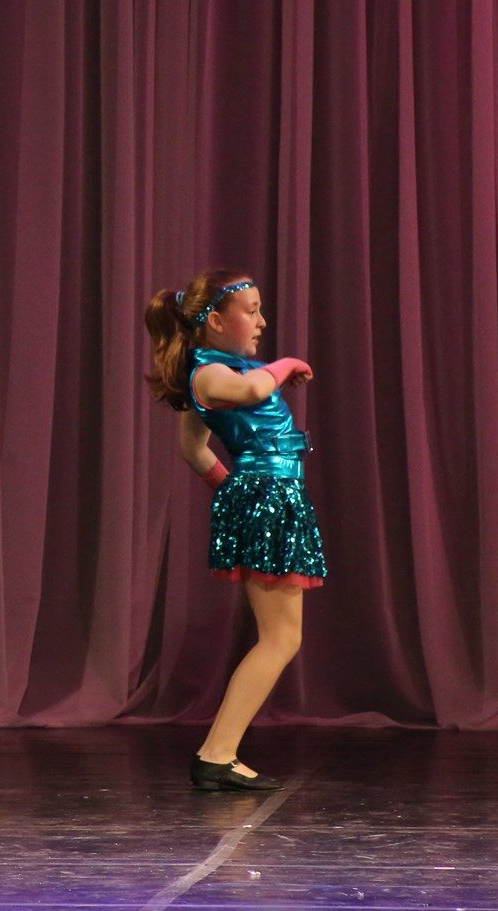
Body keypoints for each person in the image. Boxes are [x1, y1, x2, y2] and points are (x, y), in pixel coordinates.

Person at [144, 270, 326, 791]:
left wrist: (231, 491)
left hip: (269, 498)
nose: (262, 321)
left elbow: (193, 448)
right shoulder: (210, 375)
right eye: (252, 310)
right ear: (217, 322)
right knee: (280, 638)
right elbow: (250, 390)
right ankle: (216, 754)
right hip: (268, 498)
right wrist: (288, 363)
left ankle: (218, 753)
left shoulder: (218, 371)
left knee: (282, 637)